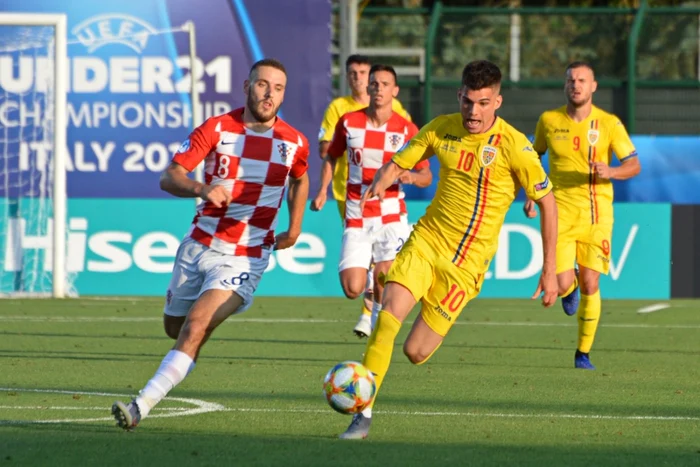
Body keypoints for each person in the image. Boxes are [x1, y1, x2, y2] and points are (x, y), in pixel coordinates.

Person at [337, 60, 559, 440]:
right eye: (468, 102)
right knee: (387, 317)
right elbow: (398, 163)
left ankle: (425, 312)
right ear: (459, 95)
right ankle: (362, 414)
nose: (474, 112)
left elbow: (548, 203)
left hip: (465, 267)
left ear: (498, 102)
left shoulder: (515, 147)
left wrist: (549, 268)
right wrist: (382, 180)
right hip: (426, 242)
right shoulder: (441, 128)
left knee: (415, 351)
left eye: (483, 103)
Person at [111, 58, 310, 430]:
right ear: (247, 86)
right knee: (177, 328)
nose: (269, 94)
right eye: (263, 85)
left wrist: (295, 228)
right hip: (199, 245)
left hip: (246, 255)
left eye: (278, 88)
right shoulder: (217, 128)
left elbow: (301, 179)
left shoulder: (294, 142)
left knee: (197, 324)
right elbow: (169, 176)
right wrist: (203, 189)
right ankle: (191, 343)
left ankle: (140, 405)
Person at [524, 61, 641, 370]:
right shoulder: (549, 121)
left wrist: (612, 170)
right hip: (558, 215)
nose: (576, 84)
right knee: (564, 284)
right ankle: (569, 288)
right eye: (571, 80)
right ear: (565, 85)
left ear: (593, 86)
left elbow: (634, 164)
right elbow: (532, 158)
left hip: (597, 215)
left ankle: (583, 353)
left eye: (582, 80)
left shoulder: (609, 123)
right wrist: (531, 195)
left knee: (591, 284)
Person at [311, 64, 431, 331]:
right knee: (353, 288)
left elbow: (426, 175)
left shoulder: (406, 130)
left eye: (385, 84)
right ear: (368, 87)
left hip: (391, 215)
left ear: (395, 91)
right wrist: (322, 191)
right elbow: (331, 156)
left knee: (384, 278)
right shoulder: (348, 122)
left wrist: (411, 177)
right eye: (374, 84)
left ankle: (375, 328)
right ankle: (368, 304)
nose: (378, 89)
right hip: (357, 214)